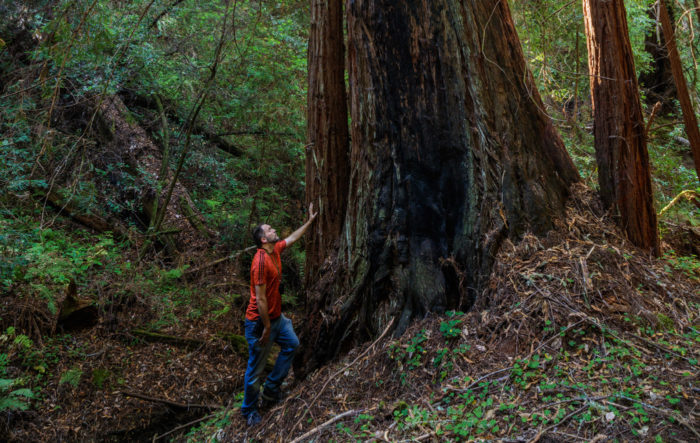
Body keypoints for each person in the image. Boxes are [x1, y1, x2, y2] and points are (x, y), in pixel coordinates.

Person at [241, 203, 318, 426]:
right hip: (259, 322)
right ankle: (249, 411)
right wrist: (266, 327)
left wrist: (310, 221)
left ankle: (271, 390)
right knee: (255, 368)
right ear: (263, 239)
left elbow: (292, 238)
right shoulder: (260, 262)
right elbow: (260, 298)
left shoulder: (274, 251)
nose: (274, 230)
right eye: (270, 230)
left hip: (276, 318)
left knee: (292, 344)